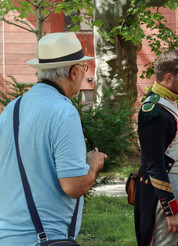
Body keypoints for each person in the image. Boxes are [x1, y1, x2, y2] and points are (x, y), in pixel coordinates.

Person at [0, 32, 107, 245]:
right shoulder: (63, 111)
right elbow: (74, 186)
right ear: (74, 72)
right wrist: (93, 164)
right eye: (84, 68)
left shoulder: (12, 108)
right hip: (45, 238)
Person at [134, 50, 178, 246]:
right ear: (168, 77)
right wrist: (170, 209)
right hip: (166, 187)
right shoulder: (153, 110)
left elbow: (174, 146)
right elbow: (153, 163)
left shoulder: (170, 101)